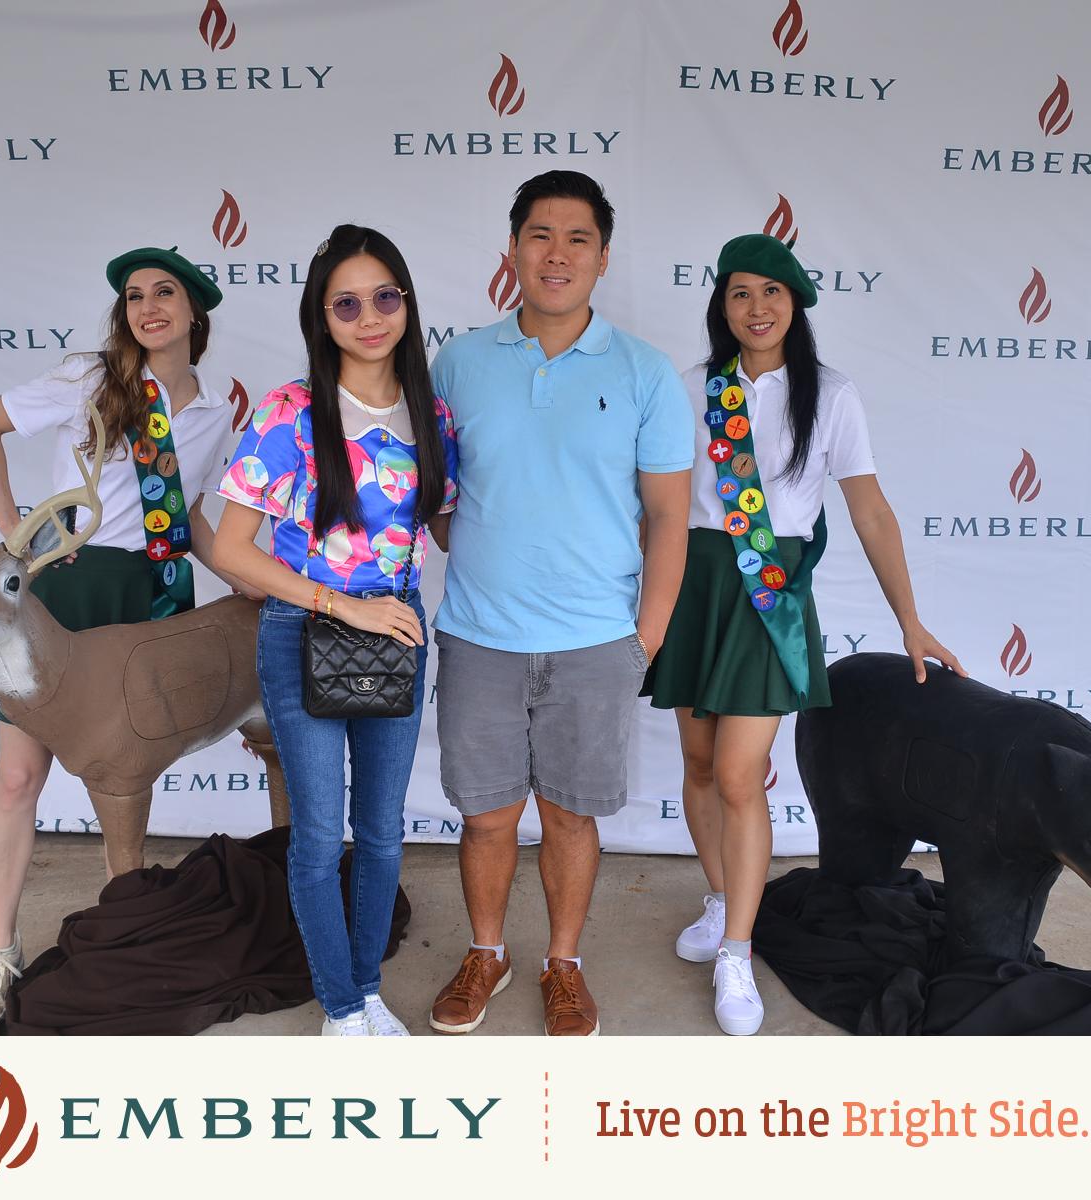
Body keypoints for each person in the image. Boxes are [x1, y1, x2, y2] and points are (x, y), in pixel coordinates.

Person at [643, 234, 965, 1035]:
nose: (756, 308)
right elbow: (661, 509)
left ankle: (738, 955)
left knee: (740, 776)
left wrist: (910, 620)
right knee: (698, 763)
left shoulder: (832, 394)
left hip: (769, 592)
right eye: (740, 293)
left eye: (772, 292)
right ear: (721, 304)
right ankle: (721, 902)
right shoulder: (690, 389)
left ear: (797, 302)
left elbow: (870, 510)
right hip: (697, 585)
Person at [426, 171, 692, 1037]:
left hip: (596, 640)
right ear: (511, 250)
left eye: (578, 238)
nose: (557, 253)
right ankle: (488, 951)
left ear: (603, 257)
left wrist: (641, 640)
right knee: (487, 816)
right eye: (539, 235)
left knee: (571, 816)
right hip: (479, 636)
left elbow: (669, 515)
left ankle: (563, 964)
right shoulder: (458, 363)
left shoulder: (646, 372)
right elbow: (431, 493)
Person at [0, 246, 243, 1035]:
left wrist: (255, 582)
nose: (147, 306)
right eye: (134, 296)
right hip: (69, 589)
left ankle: (127, 928)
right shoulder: (94, 378)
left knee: (123, 774)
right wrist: (14, 531)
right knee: (19, 776)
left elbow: (191, 522)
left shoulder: (220, 412)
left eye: (165, 293)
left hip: (147, 596)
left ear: (195, 313)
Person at [211, 224, 457, 1037]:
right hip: (305, 631)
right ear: (322, 318)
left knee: (382, 833)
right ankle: (341, 1010)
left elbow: (448, 529)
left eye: (385, 296)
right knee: (319, 834)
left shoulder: (434, 415)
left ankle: (368, 990)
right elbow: (228, 547)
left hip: (399, 630)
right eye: (345, 303)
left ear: (407, 303)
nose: (369, 317)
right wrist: (340, 604)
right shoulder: (290, 411)